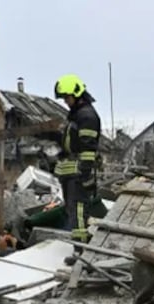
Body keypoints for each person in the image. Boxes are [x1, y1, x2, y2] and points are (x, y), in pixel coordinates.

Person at [52, 74, 102, 243]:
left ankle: (82, 250)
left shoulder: (87, 116)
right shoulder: (77, 115)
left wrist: (86, 175)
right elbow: (71, 143)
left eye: (67, 97)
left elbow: (88, 149)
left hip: (79, 172)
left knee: (79, 210)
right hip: (71, 172)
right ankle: (79, 247)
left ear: (77, 93)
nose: (65, 101)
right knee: (73, 210)